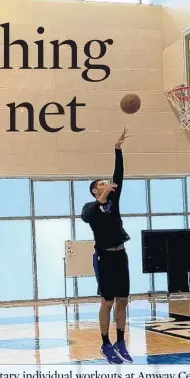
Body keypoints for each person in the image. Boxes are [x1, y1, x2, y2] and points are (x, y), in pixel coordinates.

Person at [81, 127, 132, 365]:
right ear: (95, 190)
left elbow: (119, 174)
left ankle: (120, 341)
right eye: (102, 183)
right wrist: (101, 199)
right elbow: (87, 217)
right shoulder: (89, 208)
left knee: (123, 300)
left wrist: (118, 149)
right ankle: (105, 343)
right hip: (103, 257)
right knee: (107, 302)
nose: (107, 184)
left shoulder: (113, 200)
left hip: (120, 255)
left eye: (106, 182)